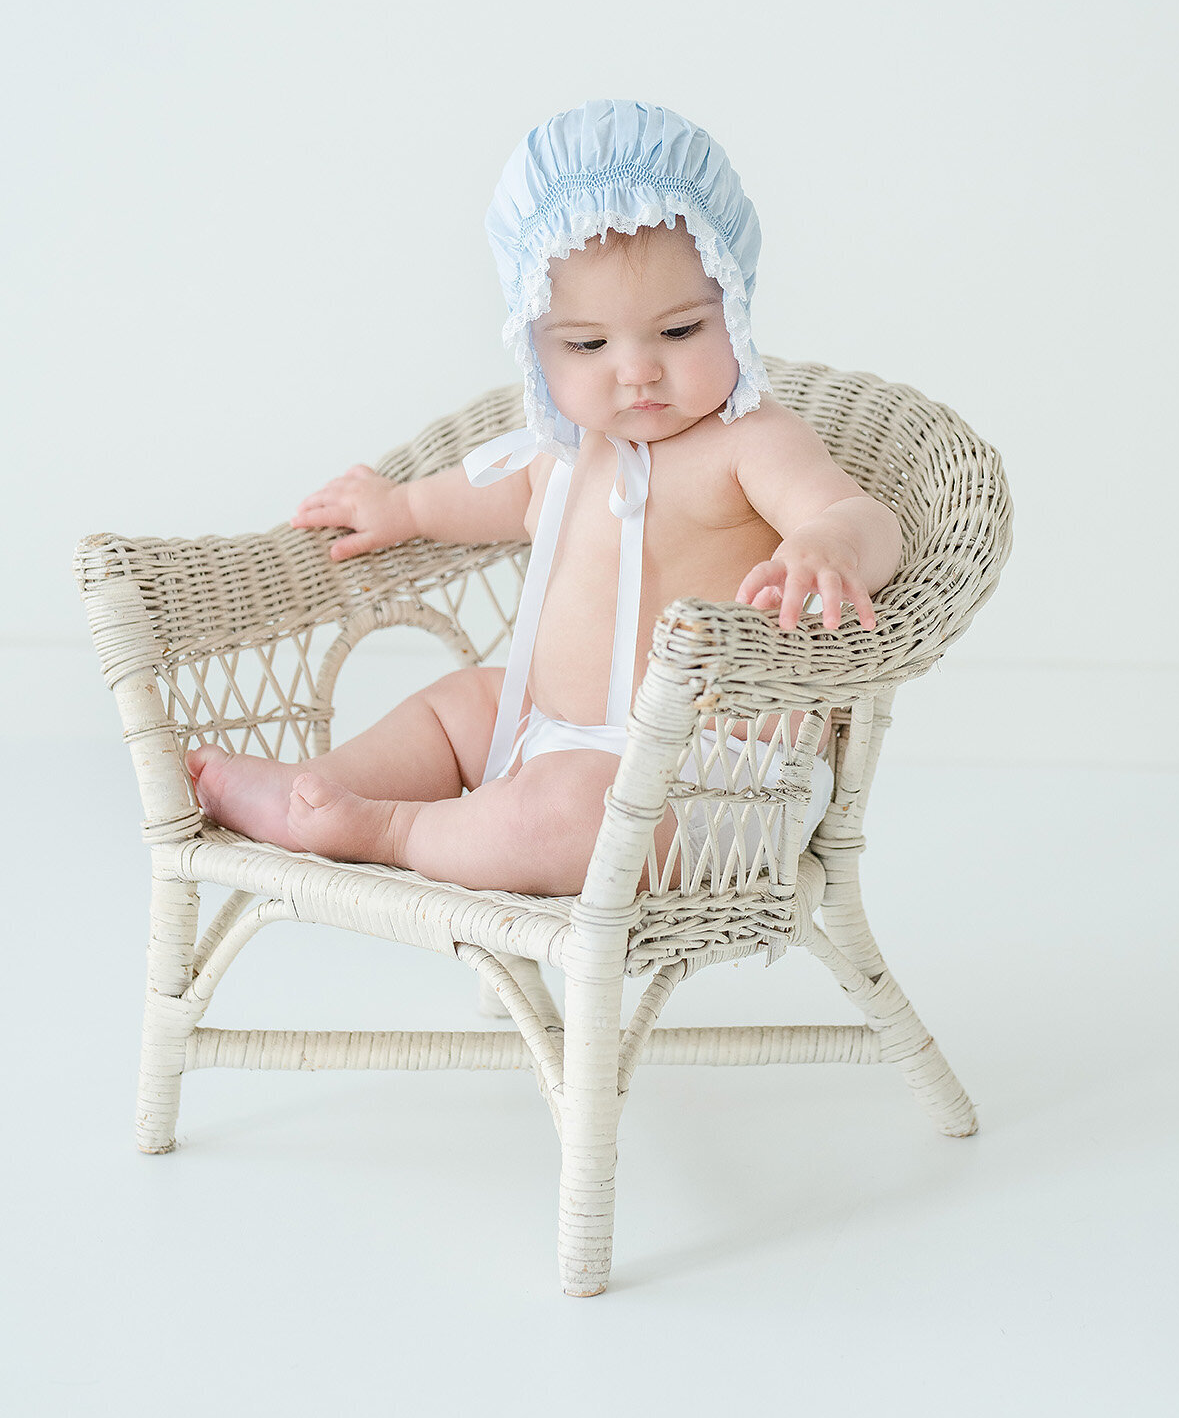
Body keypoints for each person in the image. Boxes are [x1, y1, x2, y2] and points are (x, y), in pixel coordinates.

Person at [185, 99, 903, 895]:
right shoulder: (565, 451)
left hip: (708, 780)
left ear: (733, 304)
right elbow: (481, 498)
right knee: (460, 706)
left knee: (569, 813)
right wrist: (407, 509)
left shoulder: (750, 442)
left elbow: (865, 518)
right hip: (551, 732)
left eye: (679, 333)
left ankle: (394, 829)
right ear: (535, 342)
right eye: (589, 344)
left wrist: (829, 544)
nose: (636, 370)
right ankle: (311, 792)